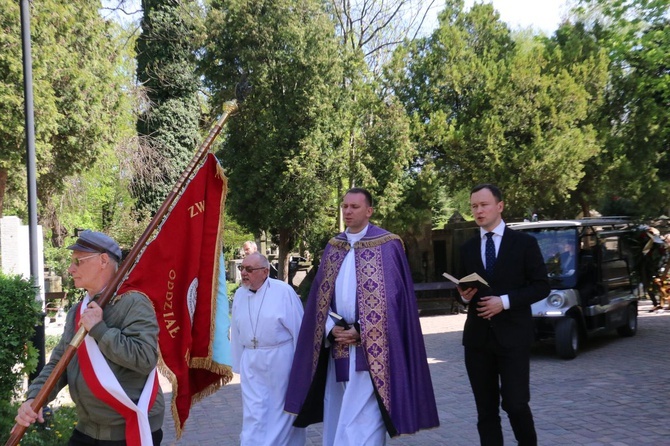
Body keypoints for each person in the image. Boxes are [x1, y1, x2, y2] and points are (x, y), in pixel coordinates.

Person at [284, 187, 439, 445]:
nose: (347, 211)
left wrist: (362, 330)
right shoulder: (335, 247)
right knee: (339, 408)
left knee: (365, 418)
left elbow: (395, 302)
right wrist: (331, 328)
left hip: (373, 349)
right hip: (339, 348)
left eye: (354, 207)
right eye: (344, 206)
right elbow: (320, 300)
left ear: (369, 211)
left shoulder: (388, 245)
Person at [15, 230, 165, 445]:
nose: (70, 269)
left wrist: (99, 329)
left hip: (130, 429)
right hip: (87, 429)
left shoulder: (134, 302)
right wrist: (34, 398)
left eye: (78, 261)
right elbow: (60, 363)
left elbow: (144, 358)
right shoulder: (77, 311)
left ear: (103, 260)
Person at [458, 184, 550, 446]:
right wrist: (463, 296)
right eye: (474, 206)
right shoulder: (467, 248)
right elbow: (464, 287)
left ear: (500, 206)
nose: (478, 210)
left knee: (516, 403)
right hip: (477, 340)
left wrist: (505, 302)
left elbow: (541, 285)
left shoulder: (524, 244)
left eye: (484, 205)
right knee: (485, 412)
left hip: (513, 337)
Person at [231, 252, 306, 446]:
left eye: (249, 269)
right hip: (251, 360)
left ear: (265, 272)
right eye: (242, 268)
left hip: (280, 360)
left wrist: (302, 367)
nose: (244, 273)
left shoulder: (283, 292)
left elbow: (299, 328)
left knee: (281, 411)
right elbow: (237, 331)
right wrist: (239, 363)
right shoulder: (240, 294)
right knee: (254, 412)